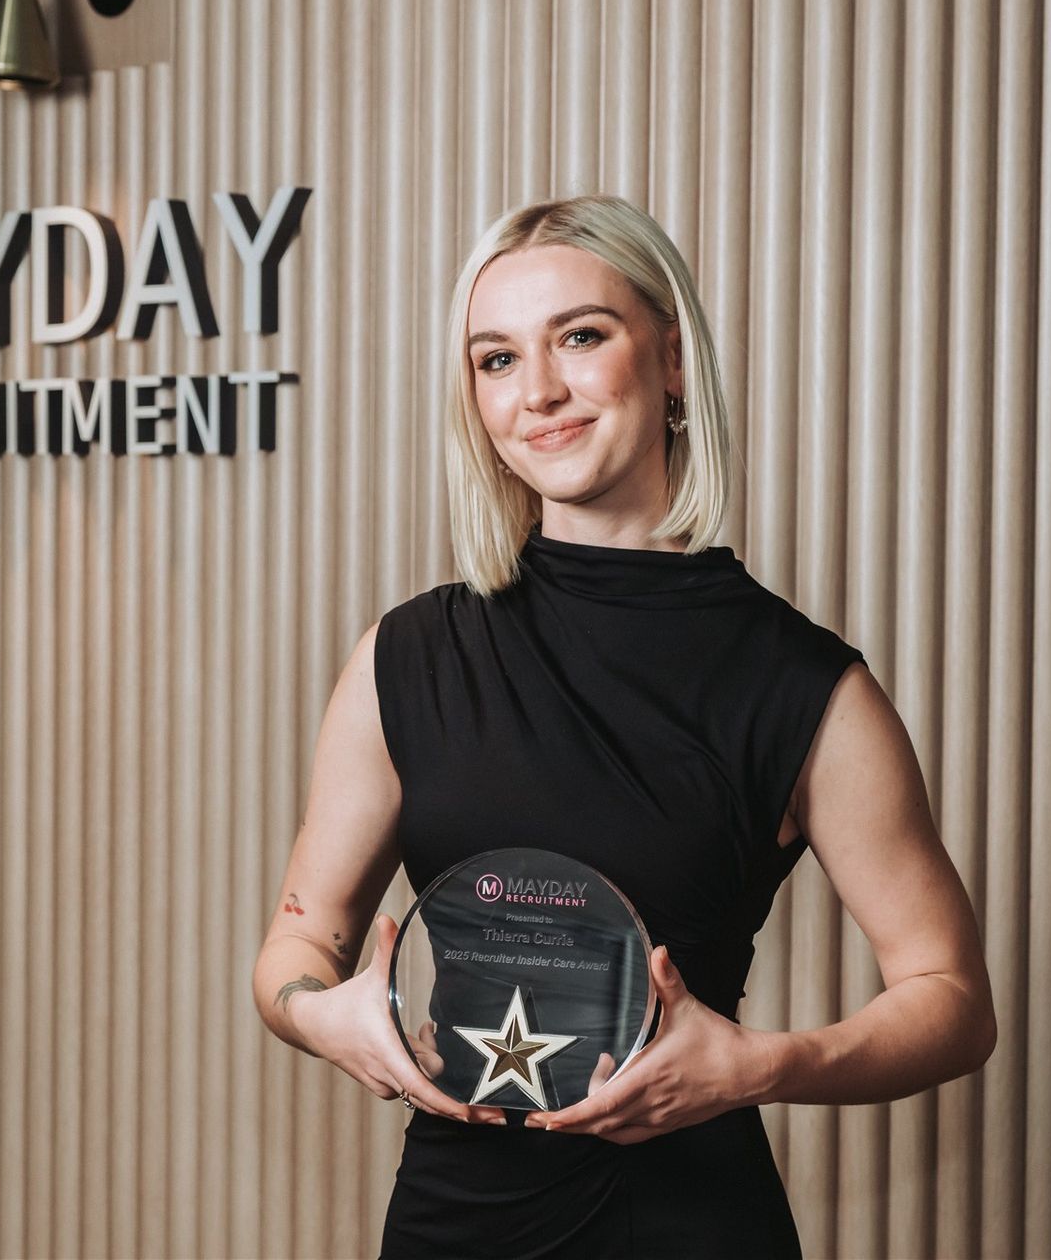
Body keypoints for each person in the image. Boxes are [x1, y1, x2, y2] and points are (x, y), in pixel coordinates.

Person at [251, 194, 997, 1258]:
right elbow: (297, 941)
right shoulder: (405, 656)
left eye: (582, 337)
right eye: (496, 359)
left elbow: (955, 999)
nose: (539, 390)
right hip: (451, 1227)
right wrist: (321, 1012)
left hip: (688, 1226)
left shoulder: (803, 685)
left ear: (674, 356)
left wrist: (763, 1063)